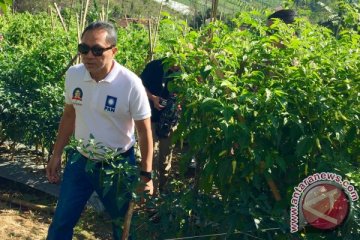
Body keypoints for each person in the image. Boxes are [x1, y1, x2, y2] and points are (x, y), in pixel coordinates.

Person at [46, 21, 153, 240]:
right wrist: (56, 154)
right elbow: (69, 115)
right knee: (61, 223)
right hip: (80, 159)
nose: (89, 56)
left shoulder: (130, 84)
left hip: (117, 164)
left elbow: (144, 131)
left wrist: (146, 175)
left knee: (122, 226)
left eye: (97, 50)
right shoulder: (74, 75)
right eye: (83, 49)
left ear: (113, 51)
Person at [140, 58, 180, 194]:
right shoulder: (154, 67)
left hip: (169, 120)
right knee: (150, 154)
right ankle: (150, 190)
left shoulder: (184, 71)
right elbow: (139, 85)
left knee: (165, 156)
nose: (176, 69)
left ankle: (163, 190)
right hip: (149, 117)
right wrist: (153, 98)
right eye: (174, 66)